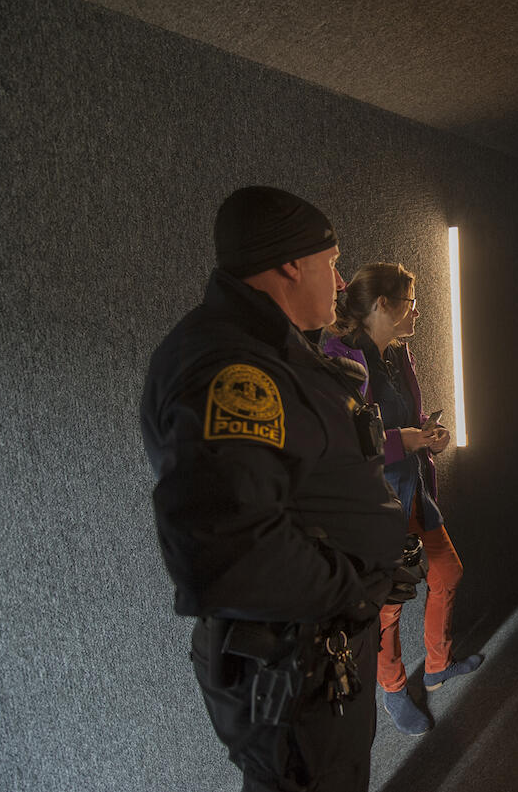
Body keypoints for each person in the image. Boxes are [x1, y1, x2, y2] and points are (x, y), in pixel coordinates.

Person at [140, 186, 412, 791]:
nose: (341, 283)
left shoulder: (275, 350)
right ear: (291, 264)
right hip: (298, 663)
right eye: (331, 264)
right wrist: (355, 590)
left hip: (318, 656)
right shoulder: (231, 370)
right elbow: (229, 549)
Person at [324, 262, 483, 736]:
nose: (418, 312)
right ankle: (393, 691)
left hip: (412, 489)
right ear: (382, 306)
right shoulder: (339, 359)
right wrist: (406, 440)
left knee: (448, 572)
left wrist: (430, 437)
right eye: (410, 303)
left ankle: (436, 666)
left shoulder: (399, 354)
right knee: (386, 608)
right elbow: (348, 443)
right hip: (375, 502)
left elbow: (410, 420)